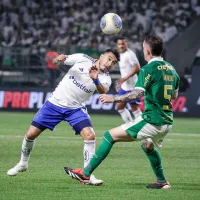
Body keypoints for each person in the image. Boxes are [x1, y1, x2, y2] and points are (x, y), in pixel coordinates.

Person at [64, 35, 180, 189]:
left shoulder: (148, 69)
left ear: (147, 51)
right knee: (147, 146)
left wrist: (114, 99)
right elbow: (174, 96)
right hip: (167, 121)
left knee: (108, 136)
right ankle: (161, 181)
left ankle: (85, 173)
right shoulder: (172, 70)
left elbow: (137, 94)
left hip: (152, 120)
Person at [7, 49, 120, 186]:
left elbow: (103, 91)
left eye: (113, 62)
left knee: (90, 136)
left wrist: (95, 79)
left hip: (75, 109)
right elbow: (60, 60)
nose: (110, 63)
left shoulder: (105, 78)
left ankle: (88, 174)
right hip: (54, 104)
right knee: (30, 134)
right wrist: (58, 59)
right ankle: (22, 163)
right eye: (109, 59)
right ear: (101, 56)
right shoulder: (82, 58)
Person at [116, 37, 142, 123]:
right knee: (119, 107)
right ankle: (130, 126)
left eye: (123, 44)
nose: (121, 46)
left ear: (126, 44)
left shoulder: (130, 54)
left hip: (133, 86)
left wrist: (124, 78)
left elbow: (137, 68)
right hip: (125, 87)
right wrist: (121, 82)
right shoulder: (120, 55)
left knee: (134, 109)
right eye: (119, 44)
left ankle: (145, 132)